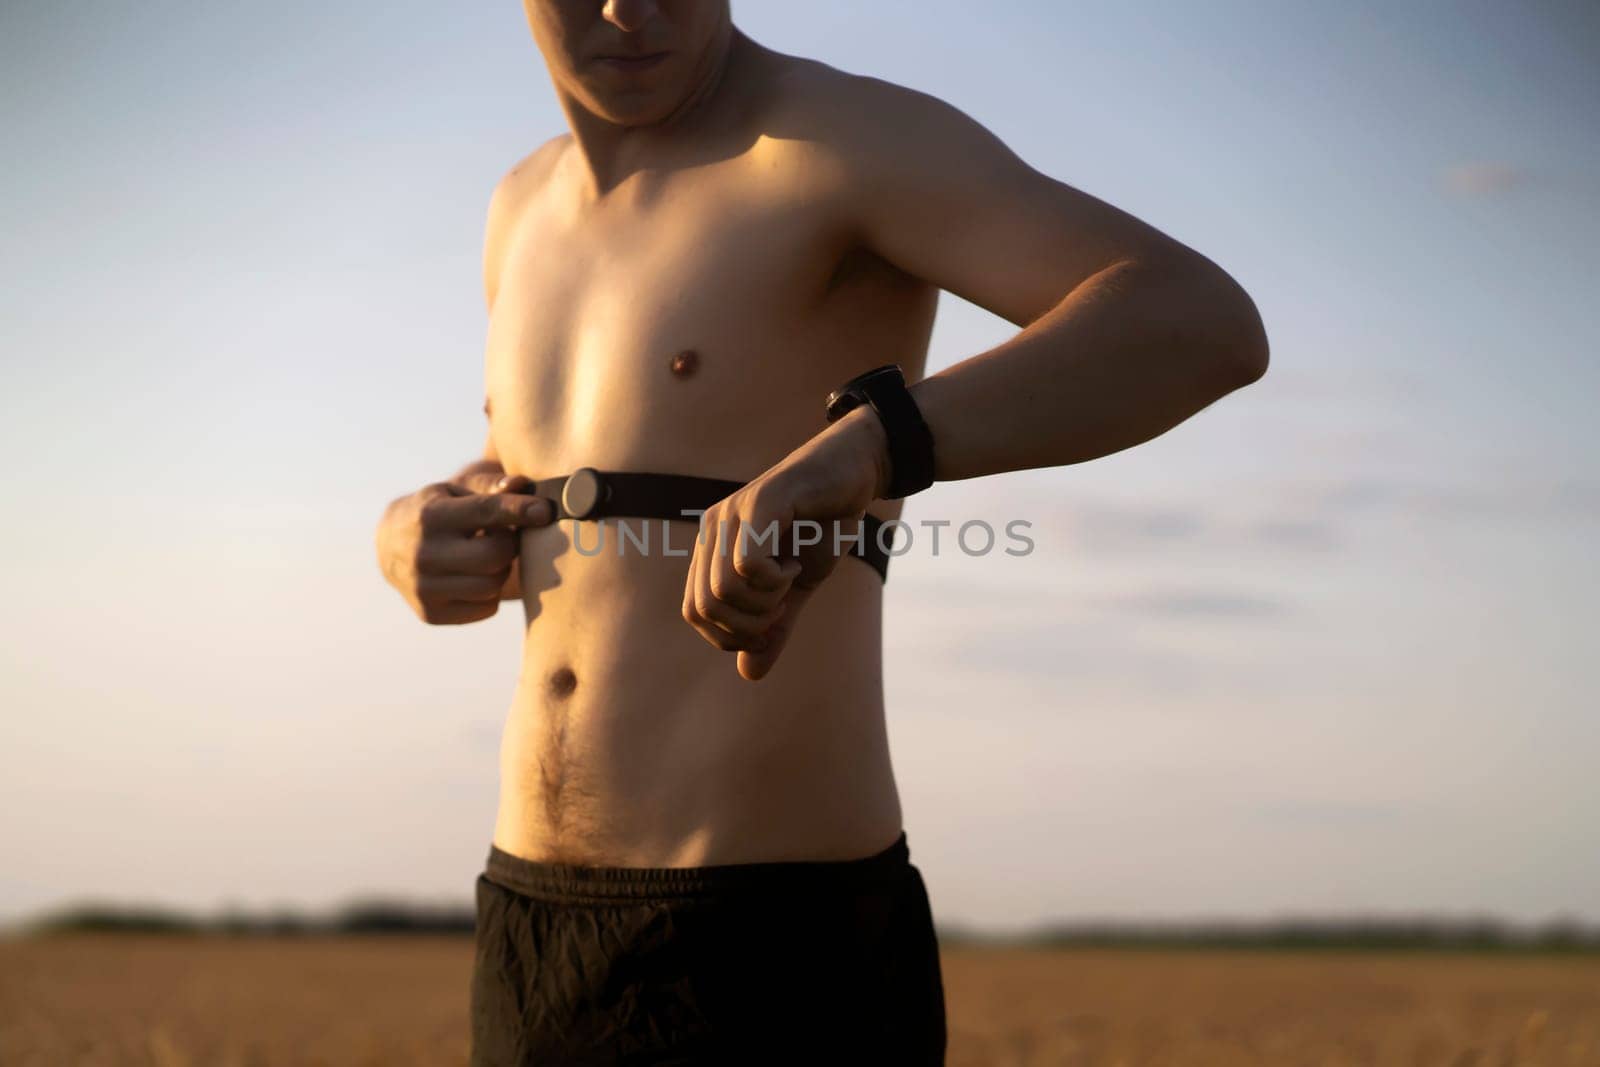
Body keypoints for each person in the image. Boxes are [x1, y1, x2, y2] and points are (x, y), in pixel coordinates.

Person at [374, 2, 1269, 1062]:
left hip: (773, 943)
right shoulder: (518, 203)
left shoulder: (842, 140)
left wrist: (872, 444)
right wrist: (416, 523)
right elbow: (545, 462)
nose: (630, 8)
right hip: (529, 921)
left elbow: (1197, 318)